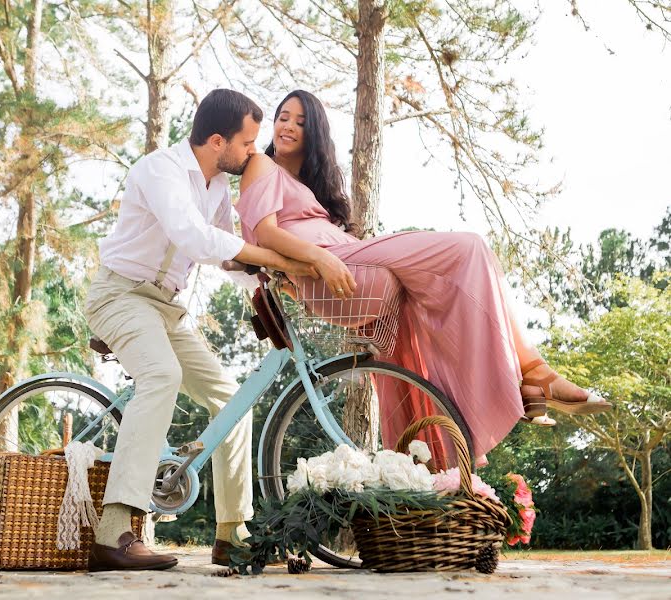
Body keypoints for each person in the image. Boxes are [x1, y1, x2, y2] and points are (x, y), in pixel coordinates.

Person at [235, 89, 612, 463]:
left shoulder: (305, 186)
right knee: (469, 248)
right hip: (335, 263)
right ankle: (533, 371)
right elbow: (265, 234)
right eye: (283, 117)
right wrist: (316, 260)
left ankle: (426, 461)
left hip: (347, 265)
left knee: (418, 334)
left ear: (313, 134)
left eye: (300, 122)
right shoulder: (260, 165)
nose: (287, 126)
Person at [84, 89, 318, 571]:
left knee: (232, 400)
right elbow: (192, 235)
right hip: (121, 295)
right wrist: (273, 255)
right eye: (248, 143)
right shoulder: (160, 169)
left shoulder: (215, 188)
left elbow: (226, 254)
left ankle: (232, 533)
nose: (254, 151)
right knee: (162, 376)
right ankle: (113, 532)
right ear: (218, 141)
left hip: (165, 309)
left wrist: (276, 278)